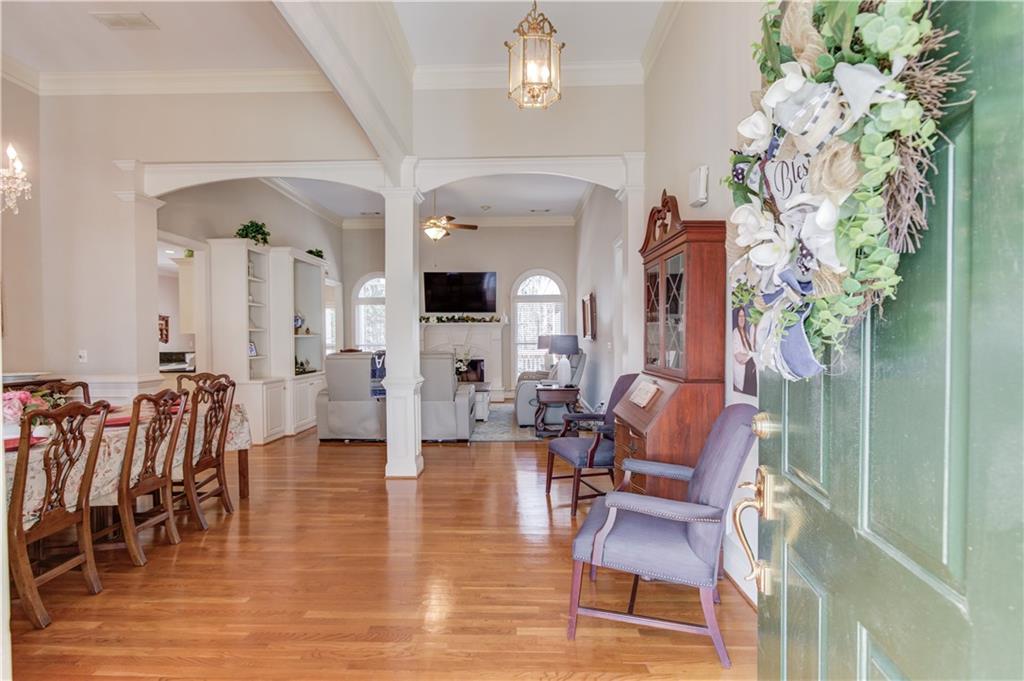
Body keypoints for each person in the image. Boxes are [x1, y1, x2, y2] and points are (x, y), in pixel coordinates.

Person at [732, 306, 757, 397]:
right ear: (736, 318)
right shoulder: (735, 333)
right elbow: (739, 357)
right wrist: (750, 354)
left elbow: (752, 349)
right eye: (740, 316)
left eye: (743, 316)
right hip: (742, 379)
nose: (742, 319)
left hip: (749, 376)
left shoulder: (746, 333)